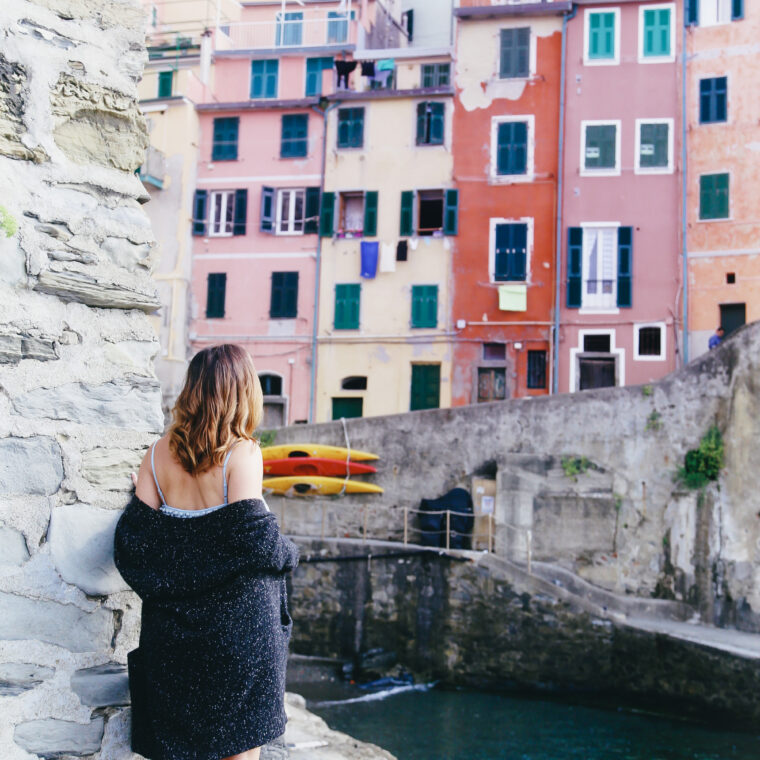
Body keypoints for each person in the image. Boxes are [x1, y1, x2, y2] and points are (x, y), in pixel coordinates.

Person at [114, 344, 299, 760]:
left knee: (179, 748)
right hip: (239, 632)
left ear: (193, 389)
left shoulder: (157, 453)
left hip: (172, 631)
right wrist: (291, 554)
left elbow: (133, 544)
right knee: (239, 752)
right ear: (243, 391)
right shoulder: (243, 452)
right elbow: (253, 539)